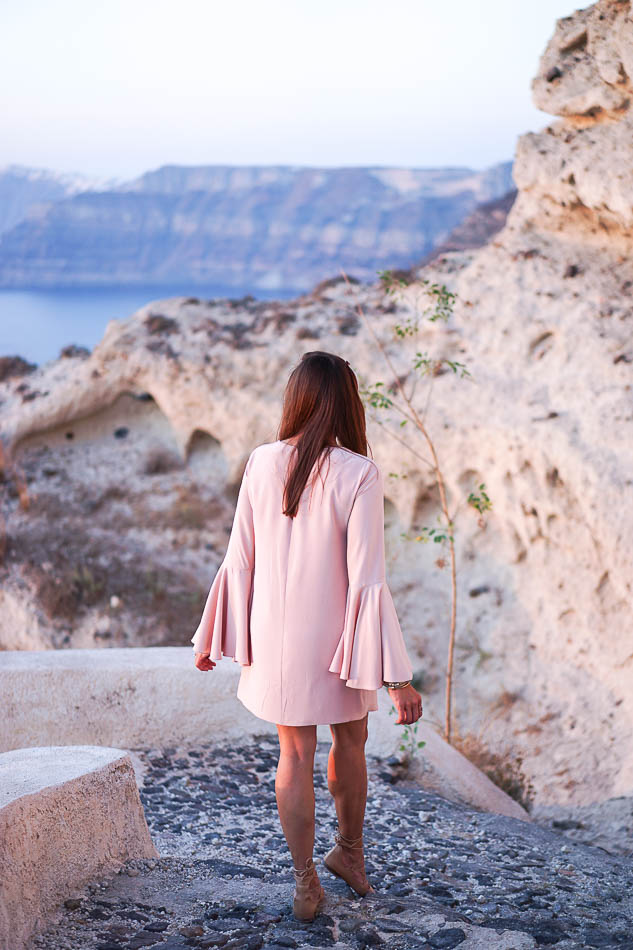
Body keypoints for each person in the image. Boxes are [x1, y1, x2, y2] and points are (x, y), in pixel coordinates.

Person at [191, 350, 423, 922]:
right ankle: (350, 853)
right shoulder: (359, 472)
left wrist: (211, 636)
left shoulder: (261, 462)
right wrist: (396, 680)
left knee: (292, 754)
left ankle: (306, 883)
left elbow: (238, 558)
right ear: (349, 403)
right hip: (337, 641)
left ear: (295, 399)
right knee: (350, 742)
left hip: (275, 638)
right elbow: (368, 578)